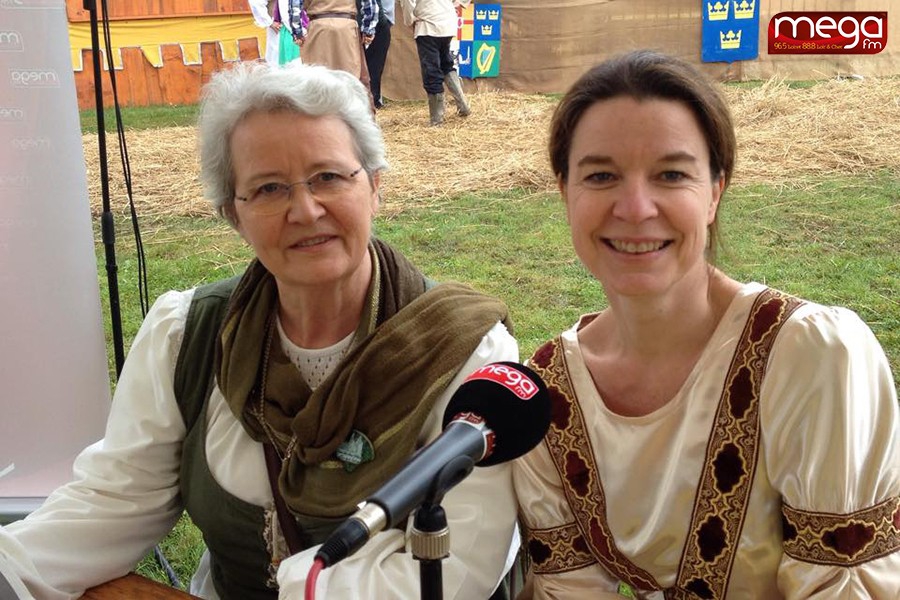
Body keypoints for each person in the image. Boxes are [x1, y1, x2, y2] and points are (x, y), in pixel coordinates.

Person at [0, 61, 520, 599]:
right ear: (233, 215)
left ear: (375, 186)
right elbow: (114, 501)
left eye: (329, 176)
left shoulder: (466, 351)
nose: (306, 209)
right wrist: (9, 567)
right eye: (269, 189)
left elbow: (457, 572)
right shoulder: (189, 336)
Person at [511, 50, 900, 599]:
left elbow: (843, 586)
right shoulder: (546, 392)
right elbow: (571, 590)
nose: (636, 206)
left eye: (672, 174)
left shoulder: (810, 356)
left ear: (715, 192)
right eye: (601, 175)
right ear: (564, 192)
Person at [399, 0, 470, 126]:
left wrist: (410, 20)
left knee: (431, 70)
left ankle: (437, 119)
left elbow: (408, 2)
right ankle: (463, 104)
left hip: (428, 24)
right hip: (447, 21)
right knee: (446, 64)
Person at [288, 0, 377, 94]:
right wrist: (368, 29)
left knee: (317, 78)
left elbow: (295, 4)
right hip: (346, 28)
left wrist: (297, 31)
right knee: (349, 78)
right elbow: (369, 3)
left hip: (318, 28)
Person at [359, 0, 394, 108]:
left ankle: (374, 100)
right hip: (370, 22)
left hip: (374, 22)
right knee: (372, 67)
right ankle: (371, 101)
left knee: (374, 67)